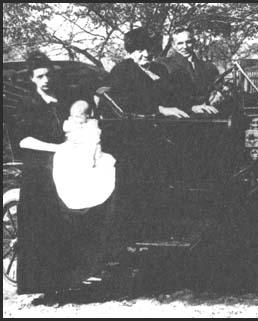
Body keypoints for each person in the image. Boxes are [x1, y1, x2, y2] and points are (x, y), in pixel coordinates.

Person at [16, 51, 120, 303]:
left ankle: (70, 280)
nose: (46, 80)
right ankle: (44, 288)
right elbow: (24, 140)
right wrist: (58, 148)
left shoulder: (63, 102)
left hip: (65, 165)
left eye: (49, 75)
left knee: (67, 225)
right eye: (40, 76)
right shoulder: (27, 104)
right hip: (39, 170)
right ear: (32, 78)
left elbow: (77, 127)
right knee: (43, 230)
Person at [108, 27, 189, 118]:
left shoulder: (160, 69)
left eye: (149, 49)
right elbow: (122, 103)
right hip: (135, 124)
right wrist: (159, 109)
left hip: (165, 121)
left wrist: (191, 107)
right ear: (130, 52)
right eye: (140, 50)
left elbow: (172, 97)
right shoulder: (122, 70)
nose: (146, 54)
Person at [53, 100, 116, 210]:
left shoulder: (92, 126)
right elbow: (69, 135)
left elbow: (94, 141)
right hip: (74, 151)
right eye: (72, 116)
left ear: (87, 115)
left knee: (102, 160)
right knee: (62, 158)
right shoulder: (71, 123)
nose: (74, 119)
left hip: (89, 150)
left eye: (78, 116)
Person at [162, 27, 220, 115]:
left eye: (188, 42)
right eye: (180, 43)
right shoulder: (164, 65)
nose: (184, 47)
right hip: (181, 116)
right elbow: (166, 98)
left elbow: (217, 87)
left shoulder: (208, 67)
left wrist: (217, 95)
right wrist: (191, 107)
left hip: (209, 112)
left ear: (193, 43)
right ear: (173, 45)